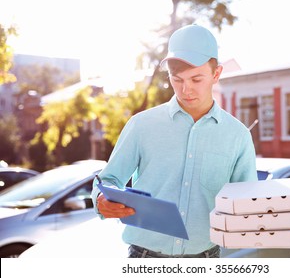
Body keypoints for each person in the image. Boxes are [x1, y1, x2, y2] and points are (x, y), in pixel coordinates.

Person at [91, 24, 258, 258]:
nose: (186, 89)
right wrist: (102, 200)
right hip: (144, 259)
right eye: (176, 79)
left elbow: (247, 202)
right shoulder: (141, 125)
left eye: (196, 79)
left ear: (216, 74)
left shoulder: (237, 135)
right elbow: (108, 180)